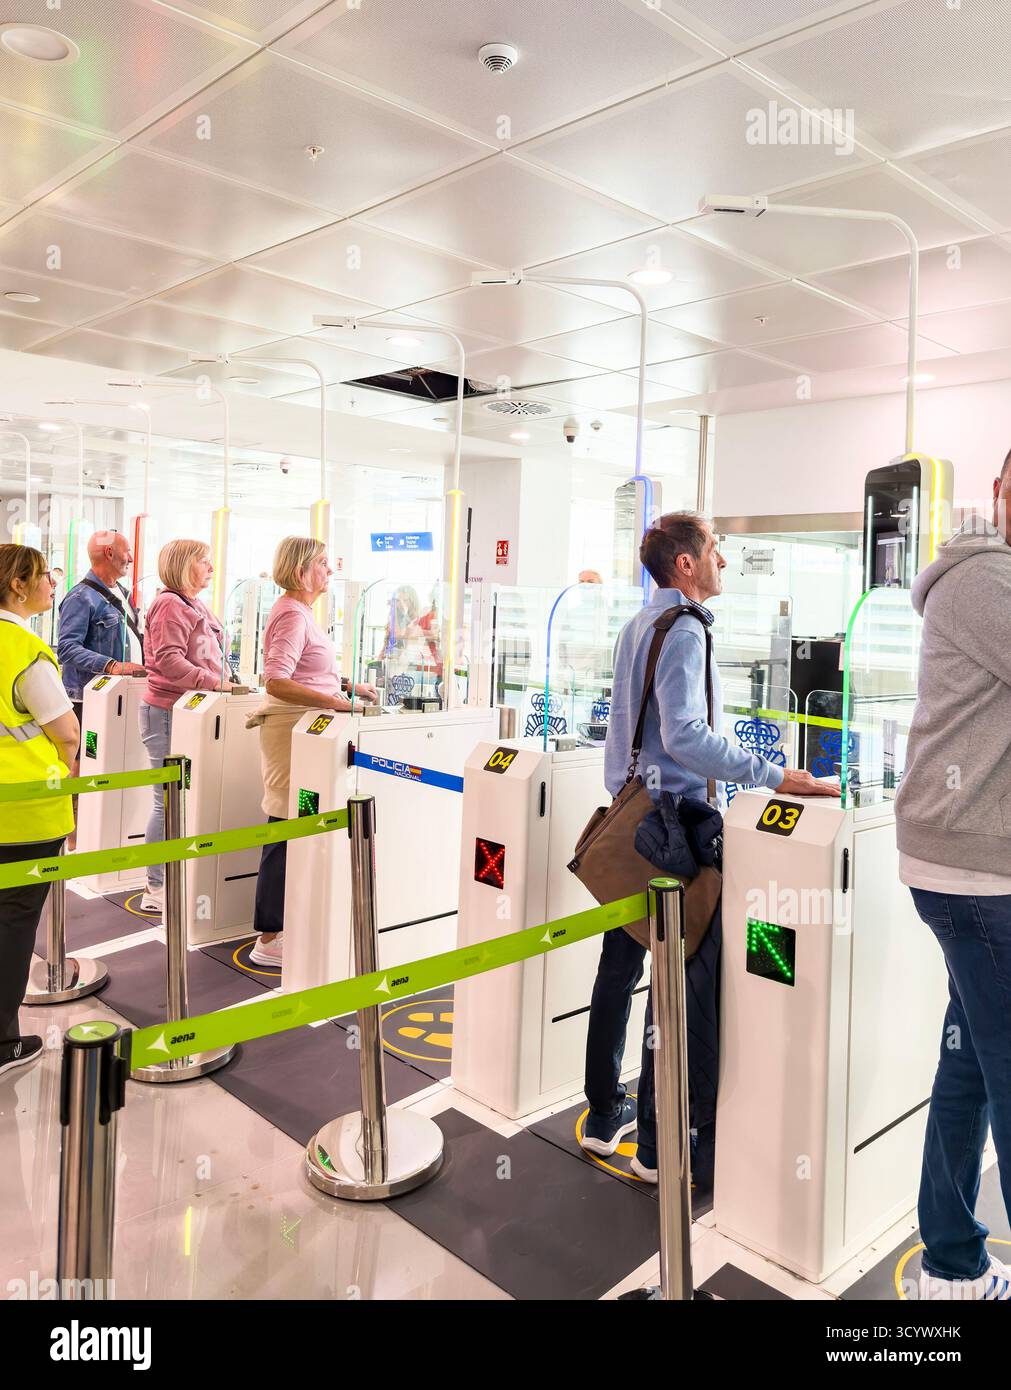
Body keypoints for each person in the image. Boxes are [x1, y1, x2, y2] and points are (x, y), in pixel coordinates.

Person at [583, 511, 838, 1183]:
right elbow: (689, 736)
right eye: (714, 551)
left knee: (619, 966)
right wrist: (776, 775)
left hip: (630, 813)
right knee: (675, 980)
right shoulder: (687, 629)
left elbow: (627, 728)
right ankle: (657, 1147)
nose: (722, 560)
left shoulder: (639, 623)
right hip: (676, 828)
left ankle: (605, 1118)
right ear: (686, 565)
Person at [894, 452, 1011, 1301]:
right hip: (976, 874)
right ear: (1002, 494)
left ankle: (951, 1264)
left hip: (963, 866)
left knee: (968, 1061)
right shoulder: (984, 580)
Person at [248, 538, 376, 966]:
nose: (329, 571)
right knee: (283, 825)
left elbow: (309, 672)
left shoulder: (302, 613)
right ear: (302, 570)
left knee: (296, 826)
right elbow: (276, 680)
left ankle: (288, 925)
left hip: (308, 731)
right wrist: (333, 702)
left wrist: (346, 688)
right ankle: (269, 938)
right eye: (323, 564)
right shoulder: (290, 614)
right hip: (291, 733)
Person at [0, 545, 78, 1075]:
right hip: (23, 816)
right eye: (44, 576)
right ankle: (2, 1043)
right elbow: (67, 734)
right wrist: (69, 777)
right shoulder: (25, 650)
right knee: (12, 923)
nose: (53, 583)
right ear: (18, 585)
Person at [139, 539, 238, 915]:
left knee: (178, 800)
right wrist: (215, 683)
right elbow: (168, 661)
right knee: (167, 801)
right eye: (204, 561)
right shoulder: (168, 604)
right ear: (183, 565)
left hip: (189, 710)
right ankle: (156, 885)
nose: (211, 567)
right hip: (166, 711)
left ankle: (169, 876)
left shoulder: (192, 603)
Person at [56, 530, 145, 733]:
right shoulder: (80, 597)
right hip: (89, 698)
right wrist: (111, 666)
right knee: (85, 760)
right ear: (109, 553)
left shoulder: (123, 593)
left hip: (121, 695)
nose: (131, 558)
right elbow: (67, 649)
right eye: (128, 552)